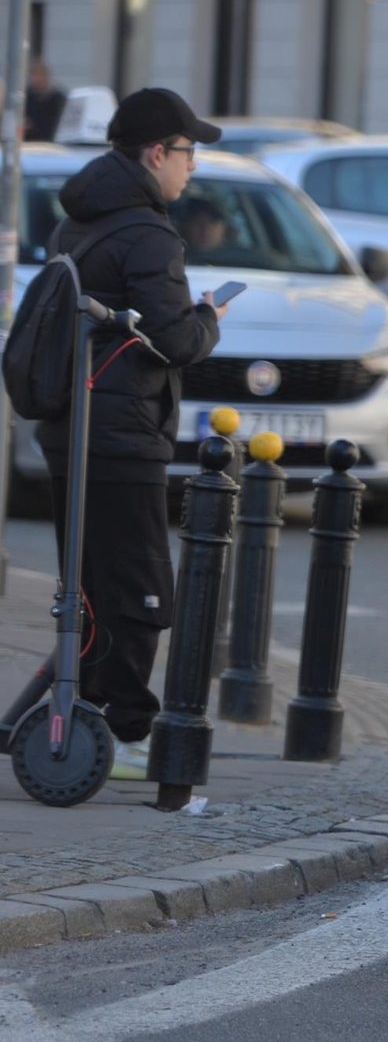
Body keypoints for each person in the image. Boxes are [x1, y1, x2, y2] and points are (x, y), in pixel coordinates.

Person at [34, 88, 230, 778]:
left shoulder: (78, 221)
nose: (192, 167)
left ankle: (80, 713)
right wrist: (208, 321)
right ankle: (126, 733)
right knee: (140, 585)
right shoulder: (148, 232)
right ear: (157, 153)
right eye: (187, 152)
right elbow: (174, 338)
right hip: (120, 431)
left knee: (86, 584)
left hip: (70, 426)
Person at [22, 58, 65, 143]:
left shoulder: (58, 99)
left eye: (39, 74)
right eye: (33, 74)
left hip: (52, 144)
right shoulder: (25, 97)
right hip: (29, 144)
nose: (36, 79)